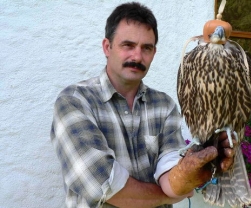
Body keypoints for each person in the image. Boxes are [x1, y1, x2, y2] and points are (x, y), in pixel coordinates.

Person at [50, 2, 236, 208]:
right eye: (128, 45)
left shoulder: (164, 106)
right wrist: (169, 197)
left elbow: (171, 179)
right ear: (107, 47)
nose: (137, 57)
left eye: (146, 48)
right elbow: (105, 186)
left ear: (154, 53)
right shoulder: (75, 101)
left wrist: (190, 170)